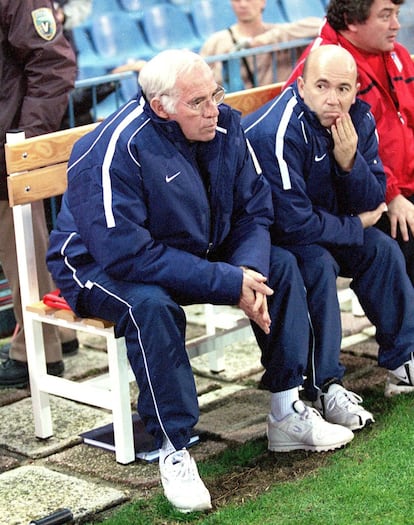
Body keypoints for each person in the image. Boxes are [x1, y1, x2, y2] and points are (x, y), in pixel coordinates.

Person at [46, 49, 354, 513]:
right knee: (149, 306)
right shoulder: (112, 151)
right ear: (160, 106)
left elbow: (254, 212)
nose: (213, 110)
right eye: (198, 103)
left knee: (283, 266)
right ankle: (173, 448)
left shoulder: (225, 125)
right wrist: (227, 282)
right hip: (96, 266)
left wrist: (247, 272)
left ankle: (286, 409)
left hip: (188, 246)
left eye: (215, 95)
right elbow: (129, 255)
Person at [243, 45, 414, 431]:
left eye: (343, 88)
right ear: (301, 86)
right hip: (273, 237)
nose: (333, 99)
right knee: (318, 263)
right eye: (322, 86)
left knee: (382, 250)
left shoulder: (358, 119)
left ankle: (403, 360)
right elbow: (292, 223)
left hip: (321, 226)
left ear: (355, 91)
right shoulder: (280, 131)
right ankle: (326, 386)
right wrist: (355, 225)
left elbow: (373, 197)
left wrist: (349, 161)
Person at [284, 0, 414, 285]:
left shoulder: (397, 55)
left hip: (401, 188)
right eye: (385, 16)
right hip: (359, 200)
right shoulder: (323, 68)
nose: (396, 25)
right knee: (401, 235)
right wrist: (391, 195)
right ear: (352, 20)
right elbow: (306, 143)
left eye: (397, 14)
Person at [0, 0, 78, 388]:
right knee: (22, 246)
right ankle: (55, 334)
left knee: (20, 246)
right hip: (9, 139)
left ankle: (38, 349)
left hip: (10, 143)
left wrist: (21, 145)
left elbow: (53, 66)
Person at [200, 0, 322, 88]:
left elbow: (320, 25)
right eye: (237, 0)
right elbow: (201, 80)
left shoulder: (279, 33)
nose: (243, 4)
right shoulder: (216, 41)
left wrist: (265, 40)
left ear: (263, 2)